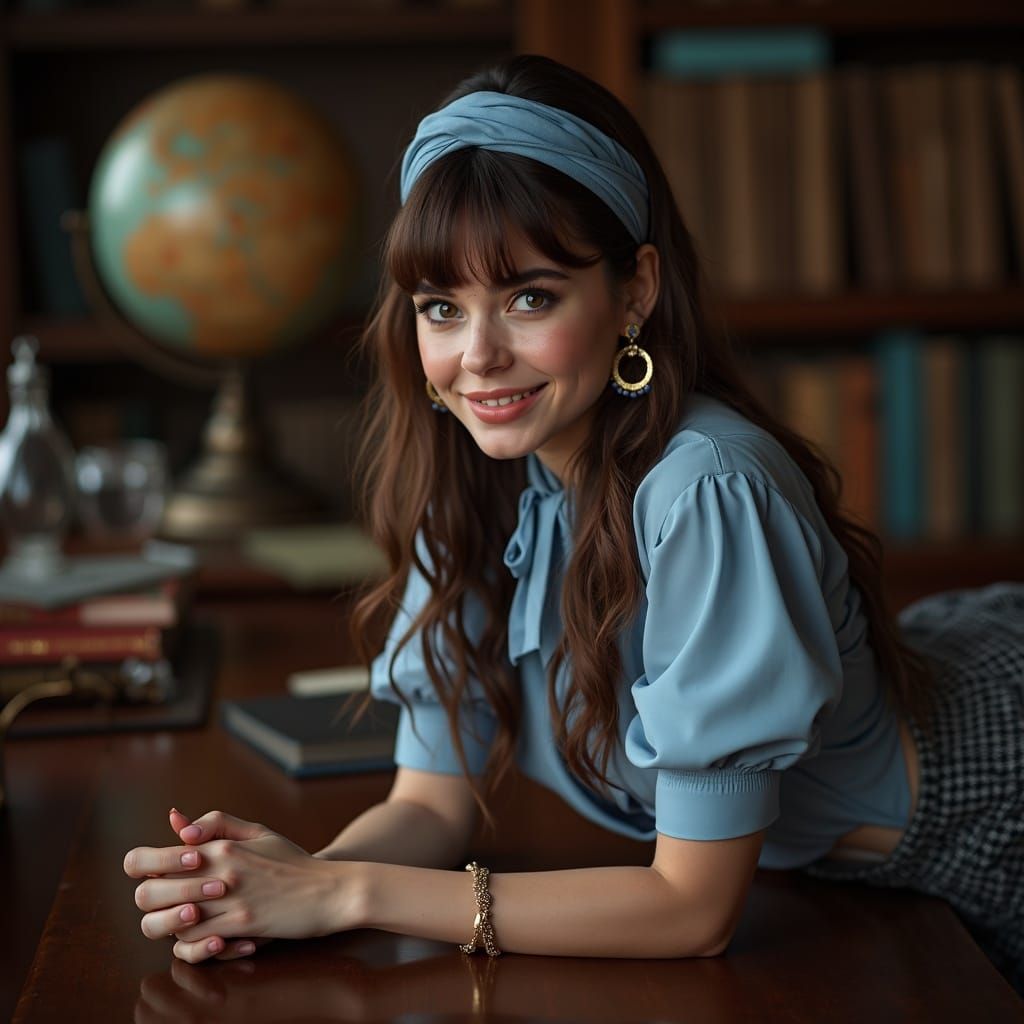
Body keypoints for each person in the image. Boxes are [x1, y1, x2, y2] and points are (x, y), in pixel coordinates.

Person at [123, 54, 1024, 989]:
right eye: (441, 307)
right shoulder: (467, 477)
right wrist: (280, 888)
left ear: (634, 290)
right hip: (845, 856)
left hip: (986, 809)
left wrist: (350, 893)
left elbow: (692, 905)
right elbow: (434, 801)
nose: (478, 357)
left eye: (530, 297)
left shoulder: (706, 492)